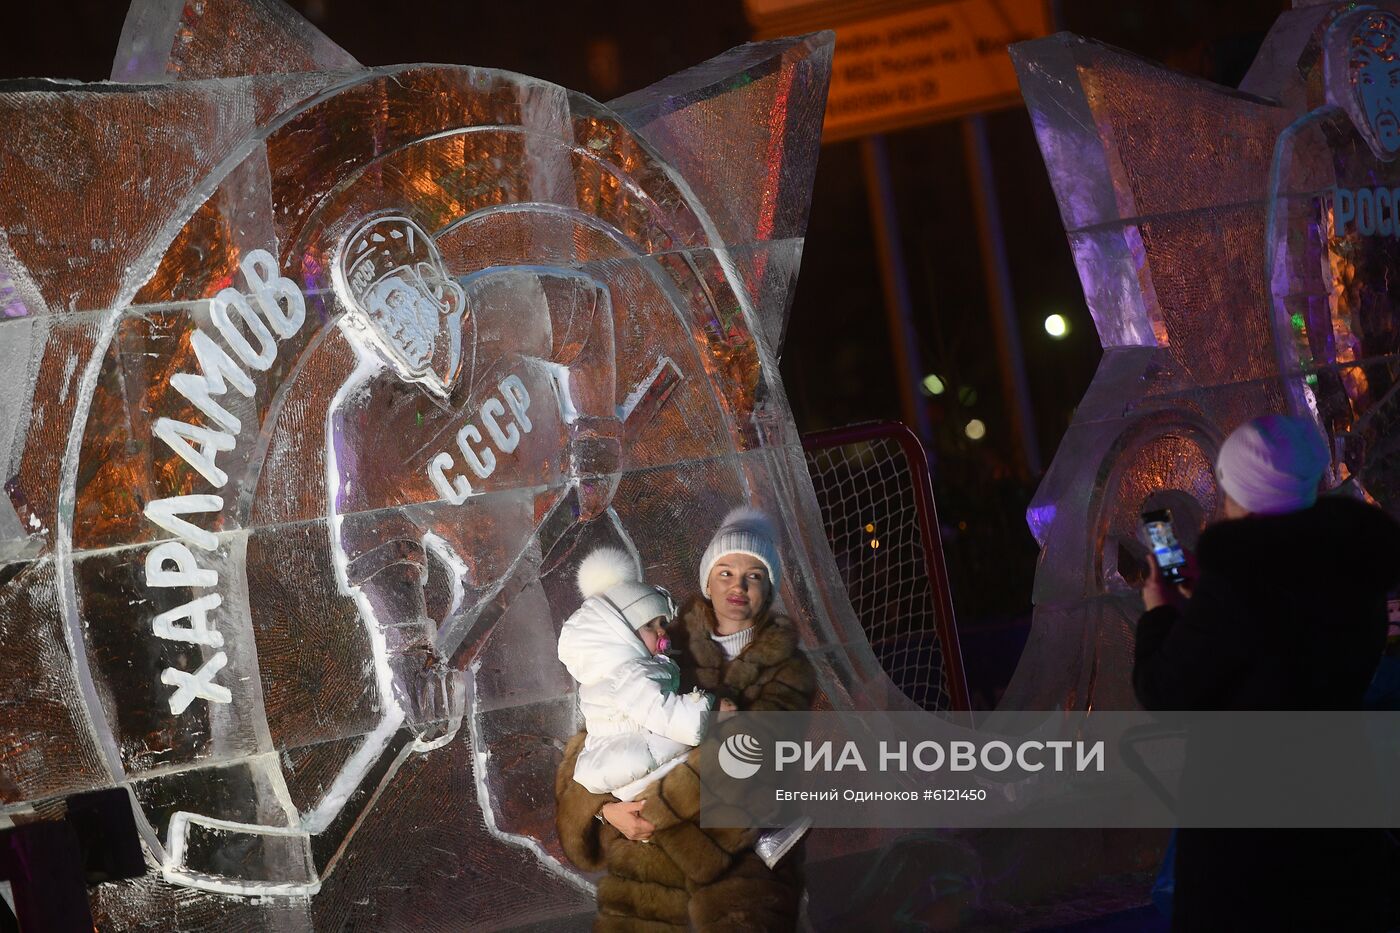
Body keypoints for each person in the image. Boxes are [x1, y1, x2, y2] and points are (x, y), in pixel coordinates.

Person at [1134, 414, 1400, 932]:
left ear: (1233, 486)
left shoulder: (1234, 588)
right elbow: (1280, 643)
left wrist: (1160, 610)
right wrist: (1208, 599)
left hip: (1248, 835)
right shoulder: (1354, 565)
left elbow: (1163, 689)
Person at [555, 507, 816, 931]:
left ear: (770, 586)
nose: (739, 586)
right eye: (726, 572)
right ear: (706, 581)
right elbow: (598, 744)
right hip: (645, 864)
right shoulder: (653, 647)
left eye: (755, 575)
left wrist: (651, 810)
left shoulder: (788, 670)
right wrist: (607, 810)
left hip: (741, 861)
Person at [557, 547, 733, 801]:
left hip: (630, 769)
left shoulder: (606, 676)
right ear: (622, 636)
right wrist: (710, 710)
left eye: (662, 623)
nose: (663, 632)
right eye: (650, 625)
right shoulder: (633, 674)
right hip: (648, 767)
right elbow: (664, 713)